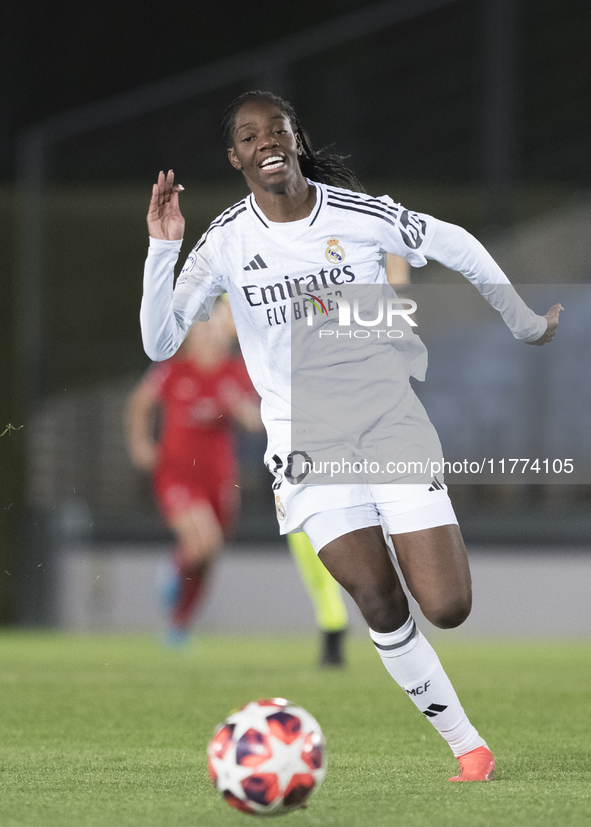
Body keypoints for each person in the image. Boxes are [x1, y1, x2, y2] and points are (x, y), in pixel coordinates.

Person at [139, 90, 562, 780]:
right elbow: (160, 342)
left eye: (276, 129)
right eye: (249, 136)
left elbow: (453, 241)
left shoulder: (357, 216)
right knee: (374, 595)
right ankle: (468, 747)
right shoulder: (223, 241)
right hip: (305, 446)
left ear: (295, 139)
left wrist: (519, 320)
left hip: (387, 423)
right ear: (235, 157)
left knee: (448, 606)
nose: (265, 141)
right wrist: (162, 249)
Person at [126, 300, 261, 644]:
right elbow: (139, 404)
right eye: (200, 331)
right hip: (177, 474)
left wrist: (239, 407)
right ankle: (173, 568)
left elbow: (255, 422)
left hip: (218, 478)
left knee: (209, 555)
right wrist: (141, 444)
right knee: (204, 543)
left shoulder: (235, 372)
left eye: (210, 330)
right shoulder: (173, 371)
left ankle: (178, 624)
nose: (206, 336)